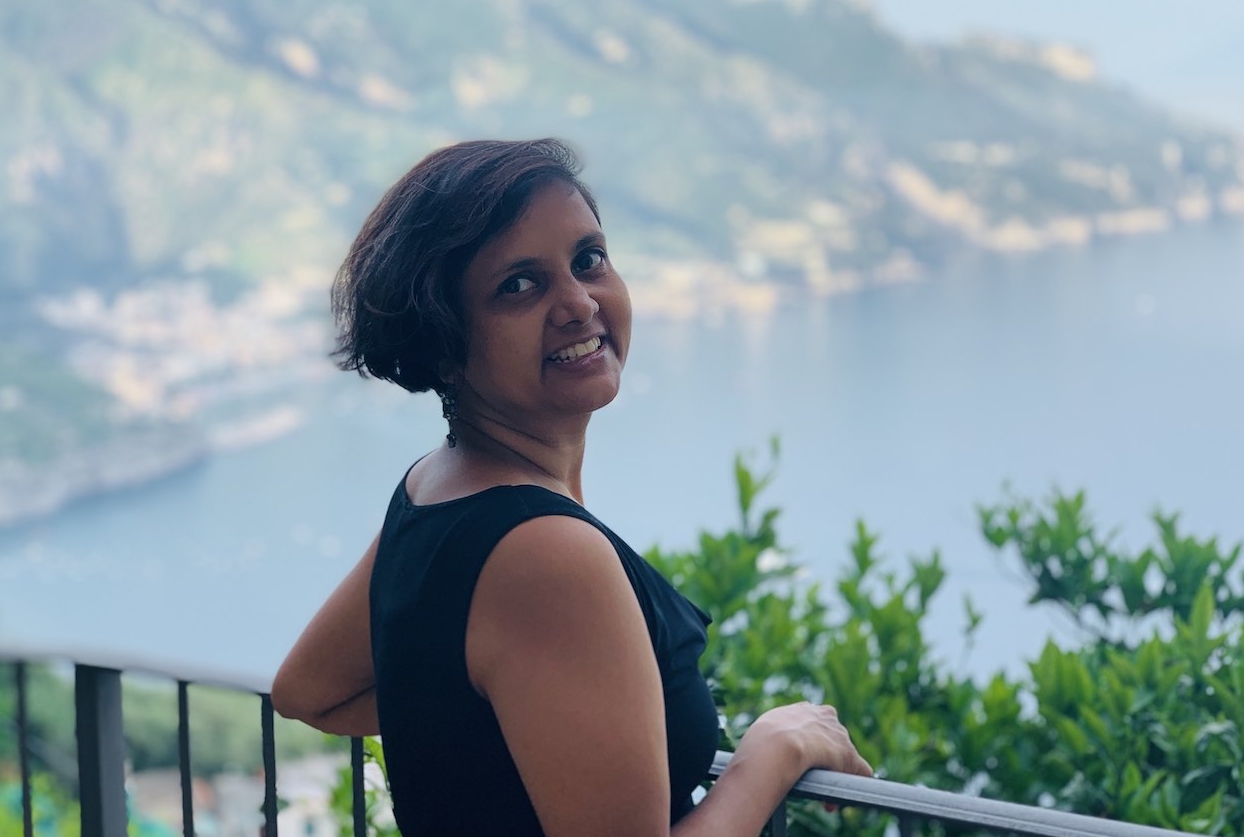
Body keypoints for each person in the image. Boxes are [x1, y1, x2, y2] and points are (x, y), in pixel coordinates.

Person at [271, 138, 872, 836]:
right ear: (442, 343)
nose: (578, 302)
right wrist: (773, 752)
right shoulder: (545, 553)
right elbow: (306, 692)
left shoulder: (434, 487)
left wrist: (508, 721)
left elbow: (308, 689)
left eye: (588, 259)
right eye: (518, 285)